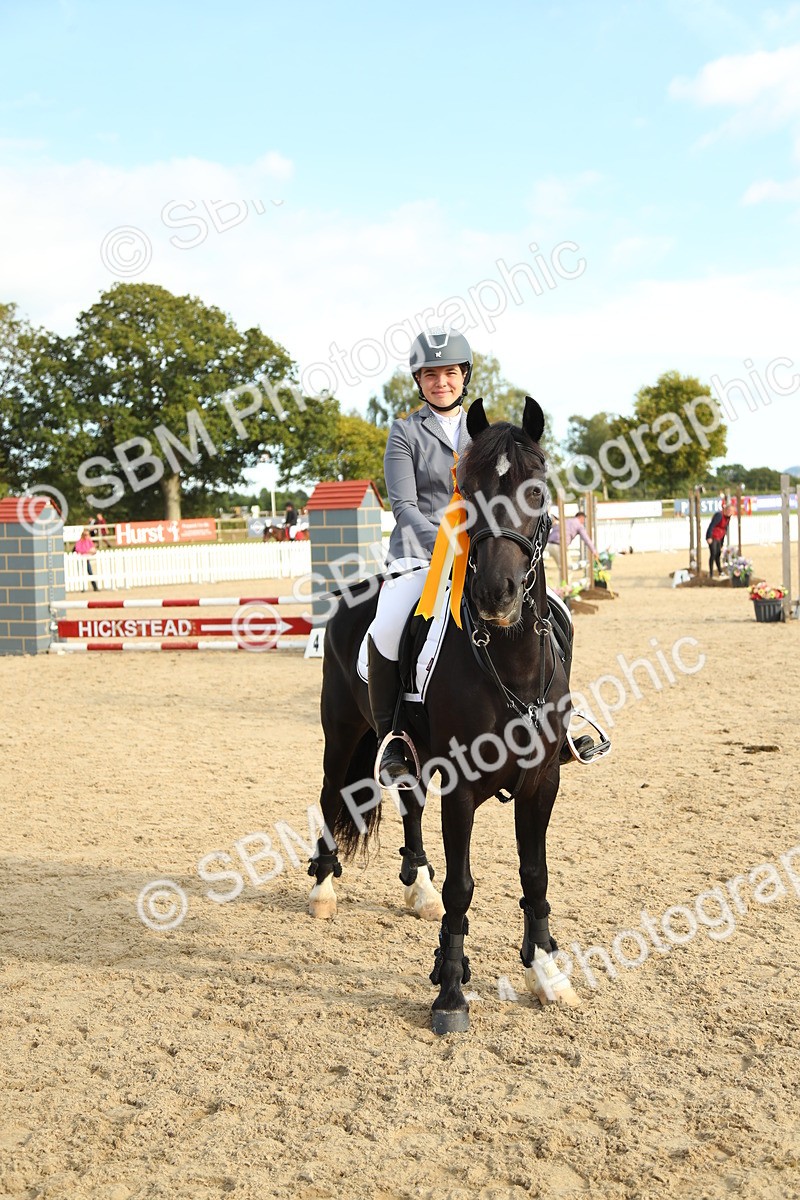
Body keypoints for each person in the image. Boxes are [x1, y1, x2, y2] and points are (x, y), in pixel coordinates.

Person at [369, 329, 473, 783]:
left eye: (449, 373)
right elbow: (405, 507)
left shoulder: (485, 431)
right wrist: (445, 549)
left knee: (551, 610)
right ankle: (391, 737)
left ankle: (556, 720)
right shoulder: (404, 432)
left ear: (463, 376)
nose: (441, 382)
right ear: (418, 380)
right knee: (388, 625)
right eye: (431, 375)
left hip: (481, 554)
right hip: (418, 559)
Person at [706, 502, 733, 577]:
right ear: (726, 510)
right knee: (713, 554)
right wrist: (709, 537)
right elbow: (712, 525)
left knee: (718, 554)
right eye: (730, 511)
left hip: (720, 537)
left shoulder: (728, 518)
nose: (731, 513)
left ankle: (719, 571)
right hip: (713, 536)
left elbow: (725, 529)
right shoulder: (719, 515)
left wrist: (722, 543)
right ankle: (711, 573)